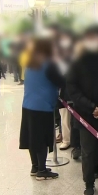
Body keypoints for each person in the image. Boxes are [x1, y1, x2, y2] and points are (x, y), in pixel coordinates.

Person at [67, 26, 98, 195]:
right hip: (86, 115)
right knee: (87, 152)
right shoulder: (77, 61)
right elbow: (72, 88)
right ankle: (88, 184)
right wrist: (91, 107)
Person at [19, 38, 65, 180]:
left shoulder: (30, 62)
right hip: (43, 106)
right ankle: (42, 169)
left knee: (32, 137)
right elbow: (61, 81)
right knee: (42, 139)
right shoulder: (49, 64)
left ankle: (35, 166)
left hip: (28, 105)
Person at [55, 29, 76, 149]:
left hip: (72, 92)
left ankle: (72, 141)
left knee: (73, 119)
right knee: (64, 118)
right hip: (63, 93)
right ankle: (66, 139)